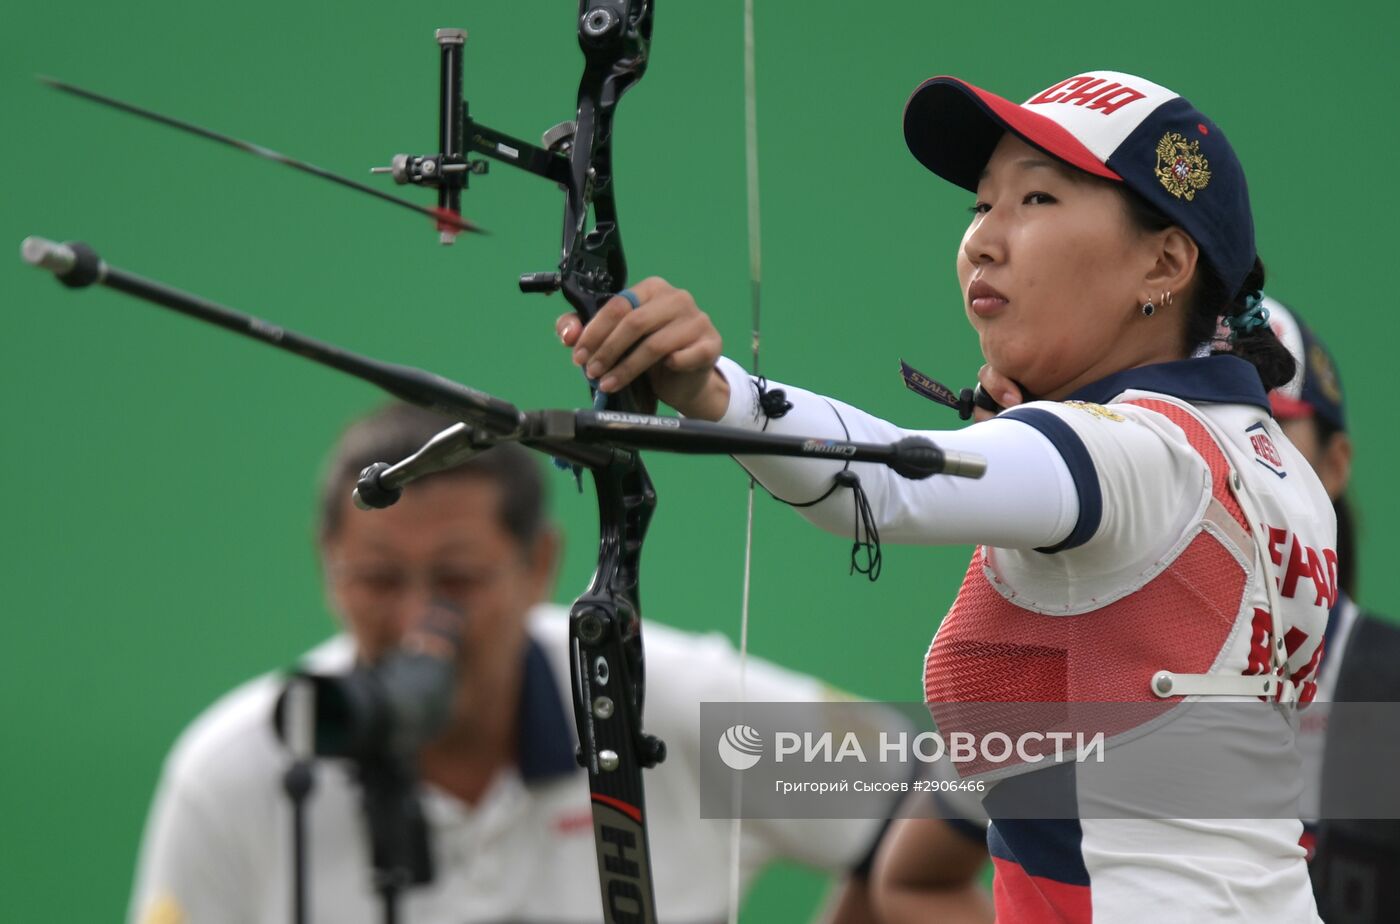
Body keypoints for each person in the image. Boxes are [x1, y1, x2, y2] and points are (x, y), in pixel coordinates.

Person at [556, 70, 1334, 921]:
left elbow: (897, 486)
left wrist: (715, 392)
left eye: (1036, 200)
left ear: (1166, 260)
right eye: (980, 206)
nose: (984, 242)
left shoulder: (1134, 452)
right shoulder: (1272, 467)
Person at [128, 402, 971, 924]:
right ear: (326, 567)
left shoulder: (675, 700)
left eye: (457, 579)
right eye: (378, 579)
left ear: (540, 564)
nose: (420, 617)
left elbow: (950, 784)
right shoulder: (236, 767)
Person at [1264, 298, 1400, 922]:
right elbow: (920, 880)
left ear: (1336, 463)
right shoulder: (1099, 659)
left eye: (1267, 427)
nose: (1229, 457)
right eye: (1194, 424)